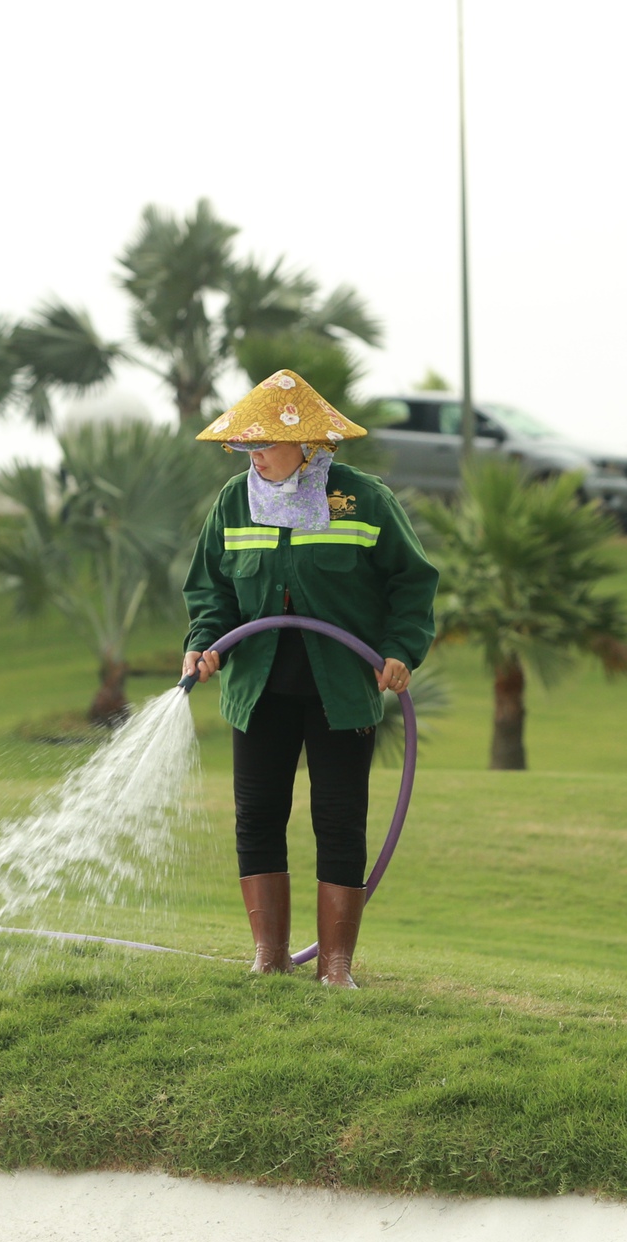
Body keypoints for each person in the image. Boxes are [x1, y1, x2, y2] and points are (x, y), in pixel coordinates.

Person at [181, 370, 438, 988]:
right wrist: (205, 645)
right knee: (258, 816)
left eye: (263, 445)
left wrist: (400, 649)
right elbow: (211, 589)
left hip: (342, 688)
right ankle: (269, 956)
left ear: (309, 444)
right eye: (245, 447)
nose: (254, 458)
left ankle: (336, 965)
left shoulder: (363, 499)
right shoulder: (233, 502)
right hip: (258, 688)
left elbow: (412, 582)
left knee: (341, 819)